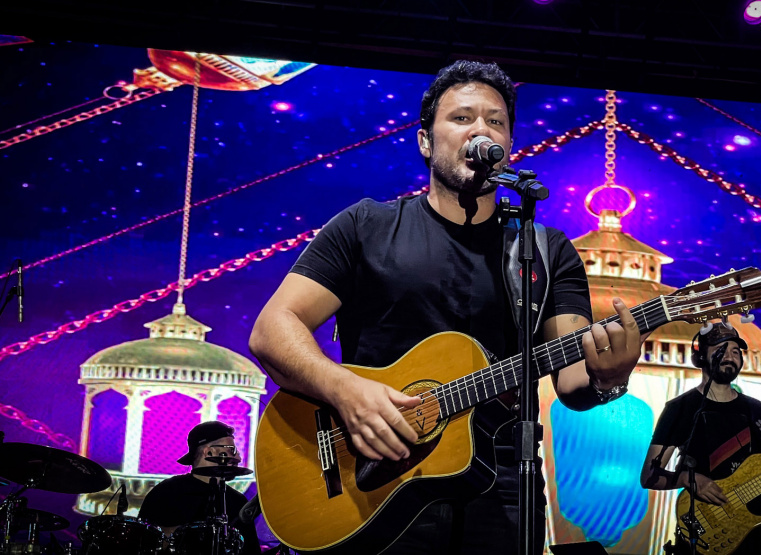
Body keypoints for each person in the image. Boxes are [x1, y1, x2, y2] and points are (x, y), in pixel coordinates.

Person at [248, 60, 645, 554]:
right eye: (462, 118)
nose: (481, 128)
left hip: (501, 487)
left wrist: (611, 379)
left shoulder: (545, 250)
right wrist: (346, 391)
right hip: (370, 473)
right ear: (425, 141)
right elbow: (272, 329)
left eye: (495, 121)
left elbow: (572, 385)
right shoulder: (365, 226)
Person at [640, 322, 761, 555]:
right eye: (721, 350)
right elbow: (649, 477)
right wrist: (686, 478)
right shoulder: (680, 408)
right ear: (700, 357)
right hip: (707, 535)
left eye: (736, 351)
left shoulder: (757, 410)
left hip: (756, 533)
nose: (731, 357)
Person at [138, 421, 262, 554]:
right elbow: (138, 541)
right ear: (209, 452)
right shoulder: (166, 492)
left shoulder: (237, 501)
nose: (238, 457)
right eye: (231, 450)